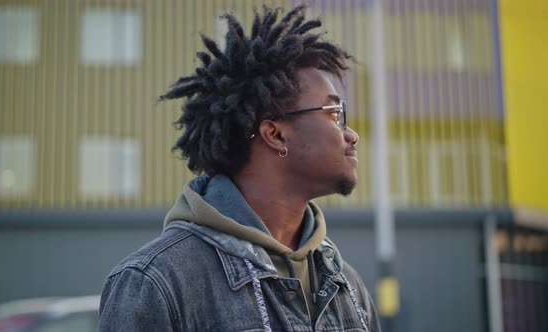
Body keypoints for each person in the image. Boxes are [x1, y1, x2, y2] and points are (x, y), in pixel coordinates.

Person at [97, 5, 381, 332]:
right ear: (274, 134)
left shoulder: (348, 286)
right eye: (334, 113)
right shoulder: (156, 283)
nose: (352, 134)